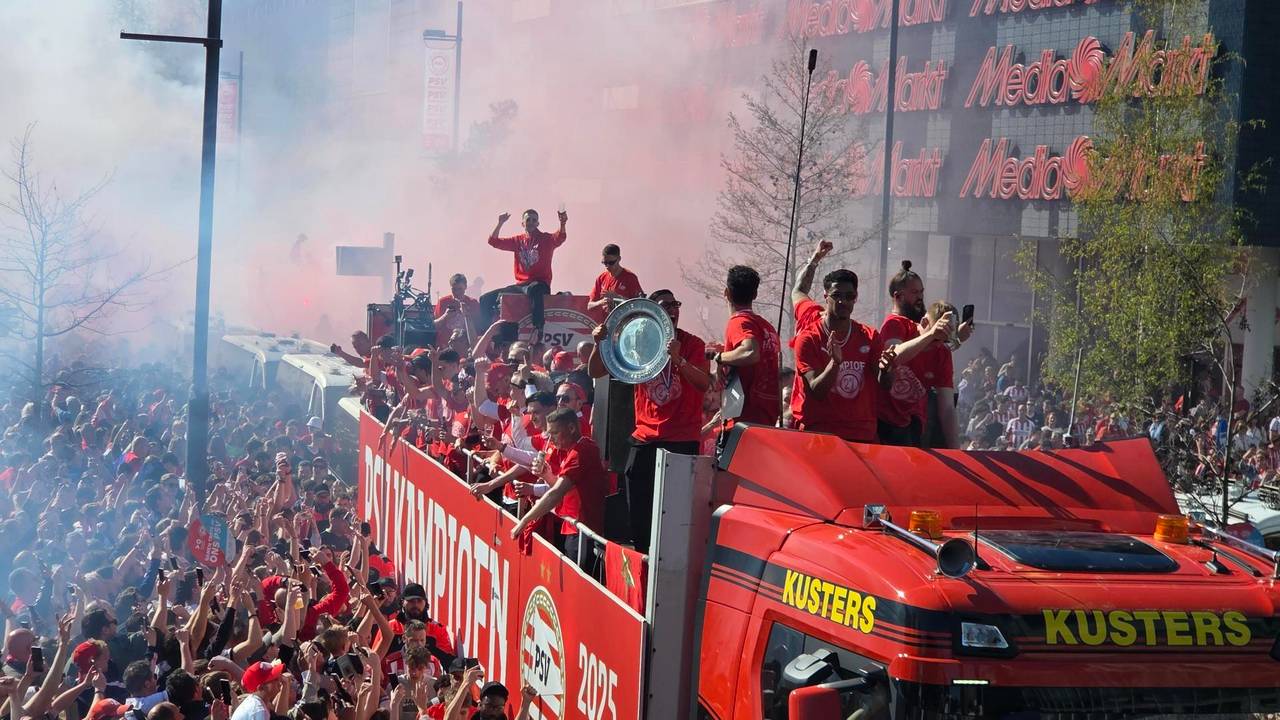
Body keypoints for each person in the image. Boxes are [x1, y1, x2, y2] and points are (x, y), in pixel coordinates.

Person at [589, 289, 711, 553]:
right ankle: (644, 559)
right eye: (665, 305)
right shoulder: (639, 340)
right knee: (640, 516)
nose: (672, 309)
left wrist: (679, 360)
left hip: (681, 440)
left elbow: (703, 383)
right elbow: (595, 371)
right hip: (644, 437)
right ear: (651, 311)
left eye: (675, 303)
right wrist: (600, 343)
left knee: (677, 516)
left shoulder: (693, 344)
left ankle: (673, 564)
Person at [791, 270, 882, 443]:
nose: (843, 301)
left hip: (862, 434)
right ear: (825, 296)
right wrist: (835, 363)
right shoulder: (808, 338)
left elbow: (884, 383)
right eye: (836, 295)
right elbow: (817, 391)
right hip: (821, 434)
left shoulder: (870, 336)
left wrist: (887, 368)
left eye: (850, 296)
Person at [510, 408, 607, 569]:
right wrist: (547, 475)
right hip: (572, 527)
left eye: (554, 433)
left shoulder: (581, 451)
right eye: (549, 433)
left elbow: (556, 493)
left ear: (571, 428)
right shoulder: (574, 450)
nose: (550, 438)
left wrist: (525, 521)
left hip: (582, 532)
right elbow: (562, 489)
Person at [877, 261, 954, 447]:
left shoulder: (921, 331)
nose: (920, 298)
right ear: (898, 297)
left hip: (915, 424)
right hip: (887, 422)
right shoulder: (894, 324)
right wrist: (931, 335)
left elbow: (948, 408)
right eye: (914, 293)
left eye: (921, 292)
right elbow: (894, 355)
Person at [709, 265, 781, 427]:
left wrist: (720, 357)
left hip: (742, 421)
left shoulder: (739, 322)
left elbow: (751, 352)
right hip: (766, 418)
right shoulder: (767, 327)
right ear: (755, 294)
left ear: (726, 292)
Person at [479, 209, 568, 333]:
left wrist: (562, 223)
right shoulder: (517, 241)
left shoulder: (545, 239)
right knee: (485, 299)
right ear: (523, 223)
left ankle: (538, 329)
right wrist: (500, 223)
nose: (531, 222)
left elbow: (560, 237)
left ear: (538, 223)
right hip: (521, 286)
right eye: (528, 220)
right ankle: (484, 335)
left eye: (534, 220)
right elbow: (493, 242)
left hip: (540, 283)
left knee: (534, 289)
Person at [587, 244, 644, 312]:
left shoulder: (630, 278)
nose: (607, 266)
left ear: (619, 259)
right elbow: (589, 306)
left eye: (611, 263)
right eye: (605, 263)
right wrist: (600, 302)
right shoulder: (601, 278)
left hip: (624, 320)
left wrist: (618, 298)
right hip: (605, 321)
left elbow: (639, 305)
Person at [435, 274, 482, 345]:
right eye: (454, 289)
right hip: (445, 345)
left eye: (460, 289)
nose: (457, 292)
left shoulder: (473, 303)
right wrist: (445, 316)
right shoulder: (443, 302)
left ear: (465, 287)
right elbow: (434, 326)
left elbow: (479, 327)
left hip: (465, 346)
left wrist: (467, 314)